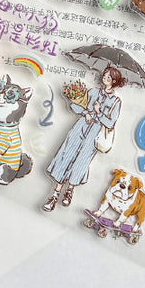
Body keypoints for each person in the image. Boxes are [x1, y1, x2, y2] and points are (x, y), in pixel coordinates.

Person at [42, 66, 124, 211]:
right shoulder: (93, 92)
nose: (105, 78)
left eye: (109, 77)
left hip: (95, 133)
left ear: (114, 81)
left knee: (82, 161)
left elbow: (111, 123)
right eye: (104, 75)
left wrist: (98, 113)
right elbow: (74, 106)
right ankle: (55, 194)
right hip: (80, 127)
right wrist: (86, 113)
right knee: (66, 155)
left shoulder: (116, 101)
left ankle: (69, 191)